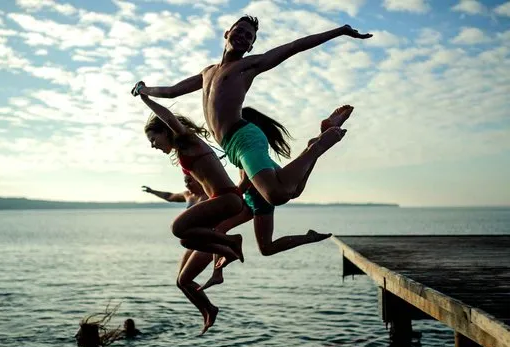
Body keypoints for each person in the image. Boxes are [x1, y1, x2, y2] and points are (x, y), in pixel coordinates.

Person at [133, 16, 371, 206]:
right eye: (240, 30)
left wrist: (339, 31)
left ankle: (319, 144)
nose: (243, 36)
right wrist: (145, 90)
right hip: (233, 147)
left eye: (249, 37)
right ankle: (318, 140)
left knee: (275, 195)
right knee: (293, 189)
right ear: (227, 33)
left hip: (244, 138)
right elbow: (172, 91)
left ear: (251, 46)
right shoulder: (207, 72)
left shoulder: (247, 66)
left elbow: (294, 47)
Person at [180, 106, 351, 292]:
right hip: (254, 197)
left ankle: (314, 148)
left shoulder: (245, 145)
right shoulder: (247, 144)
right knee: (294, 190)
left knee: (266, 246)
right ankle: (217, 273)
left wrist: (230, 197)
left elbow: (245, 180)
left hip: (259, 199)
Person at [138, 93, 250, 334]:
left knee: (177, 228)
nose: (153, 145)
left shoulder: (186, 141)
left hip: (227, 199)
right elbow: (172, 195)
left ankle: (231, 242)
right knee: (185, 241)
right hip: (224, 201)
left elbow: (166, 115)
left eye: (153, 138)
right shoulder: (182, 152)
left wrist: (144, 96)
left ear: (166, 131)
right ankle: (208, 309)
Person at [142, 172, 207, 209]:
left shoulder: (209, 193)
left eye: (189, 181)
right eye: (185, 182)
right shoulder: (187, 195)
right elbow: (169, 196)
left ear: (198, 180)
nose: (187, 185)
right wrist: (152, 191)